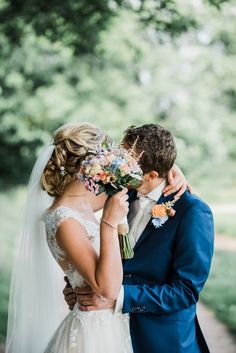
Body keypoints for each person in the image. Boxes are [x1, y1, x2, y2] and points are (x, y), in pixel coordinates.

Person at [6, 122, 187, 353]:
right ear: (92, 165)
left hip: (110, 323)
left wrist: (170, 169)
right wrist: (109, 223)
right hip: (92, 331)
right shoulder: (64, 219)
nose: (118, 164)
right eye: (111, 158)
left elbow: (145, 174)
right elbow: (107, 288)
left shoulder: (84, 203)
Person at [64, 124, 214, 353]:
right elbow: (90, 246)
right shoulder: (119, 193)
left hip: (162, 341)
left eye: (126, 164)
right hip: (113, 334)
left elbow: (185, 292)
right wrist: (79, 285)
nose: (118, 166)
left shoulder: (193, 213)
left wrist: (118, 297)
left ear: (152, 175)